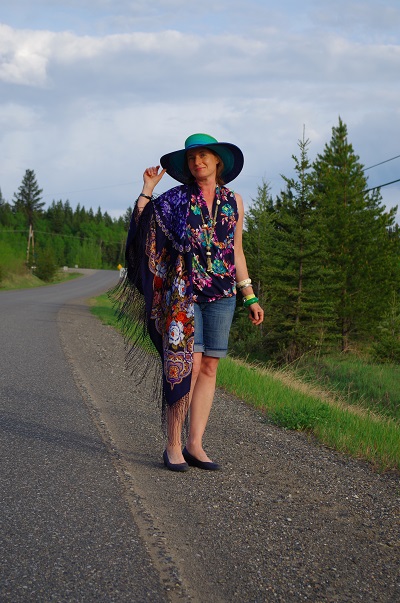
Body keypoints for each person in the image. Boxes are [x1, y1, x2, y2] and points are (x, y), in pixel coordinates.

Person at [115, 133, 264, 472]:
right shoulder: (176, 199)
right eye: (192, 158)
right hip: (186, 294)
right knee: (188, 366)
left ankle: (194, 444)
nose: (197, 162)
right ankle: (172, 445)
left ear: (217, 161)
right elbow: (144, 227)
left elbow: (237, 251)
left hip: (223, 296)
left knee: (210, 367)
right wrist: (147, 190)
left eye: (203, 156)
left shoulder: (234, 201)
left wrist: (250, 295)